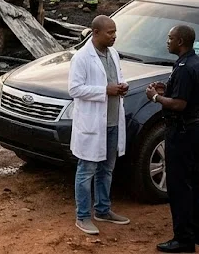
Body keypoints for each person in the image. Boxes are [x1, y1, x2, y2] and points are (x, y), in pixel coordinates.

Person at [147, 25, 199, 253]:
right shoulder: (197, 62)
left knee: (179, 186)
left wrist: (155, 97)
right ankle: (195, 232)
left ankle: (183, 238)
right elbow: (189, 94)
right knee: (192, 183)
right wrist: (168, 89)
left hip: (182, 132)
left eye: (170, 38)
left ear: (180, 41)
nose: (167, 41)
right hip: (195, 129)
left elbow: (180, 104)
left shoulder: (184, 67)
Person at [68, 15, 130, 235]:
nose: (114, 36)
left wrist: (122, 86)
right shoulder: (82, 57)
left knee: (107, 169)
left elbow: (117, 77)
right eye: (110, 32)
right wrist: (104, 90)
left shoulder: (113, 54)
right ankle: (82, 216)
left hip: (112, 122)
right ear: (95, 32)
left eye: (115, 32)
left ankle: (103, 210)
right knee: (86, 171)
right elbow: (74, 89)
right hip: (93, 125)